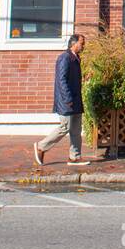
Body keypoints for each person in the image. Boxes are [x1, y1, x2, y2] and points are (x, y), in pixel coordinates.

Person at [33, 34, 89, 167]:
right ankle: (41, 146)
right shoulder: (64, 58)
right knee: (65, 127)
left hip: (75, 100)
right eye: (82, 43)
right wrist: (68, 98)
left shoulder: (75, 58)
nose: (83, 45)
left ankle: (74, 157)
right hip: (67, 101)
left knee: (76, 129)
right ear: (74, 43)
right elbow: (61, 80)